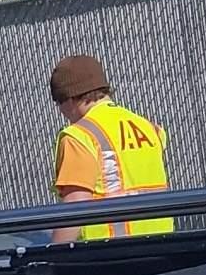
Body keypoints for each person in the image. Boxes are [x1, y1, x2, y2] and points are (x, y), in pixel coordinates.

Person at [47, 54, 174, 244]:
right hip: (163, 245)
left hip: (109, 254)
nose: (61, 112)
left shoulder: (79, 136)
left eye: (58, 104)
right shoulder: (149, 127)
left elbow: (76, 204)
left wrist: (51, 255)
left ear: (70, 98)